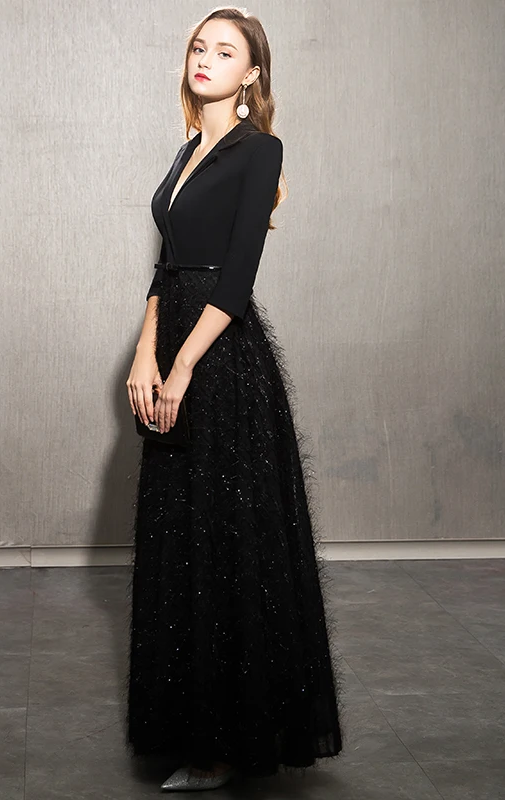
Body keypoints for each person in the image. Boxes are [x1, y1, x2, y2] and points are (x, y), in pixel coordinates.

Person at [123, 7, 344, 792]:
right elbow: (167, 266)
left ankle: (228, 744)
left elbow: (238, 276)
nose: (205, 58)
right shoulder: (187, 149)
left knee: (225, 545)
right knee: (180, 541)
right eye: (198, 46)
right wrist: (145, 352)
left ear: (251, 73)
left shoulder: (260, 149)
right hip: (173, 346)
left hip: (220, 360)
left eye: (224, 51)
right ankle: (191, 728)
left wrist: (182, 365)